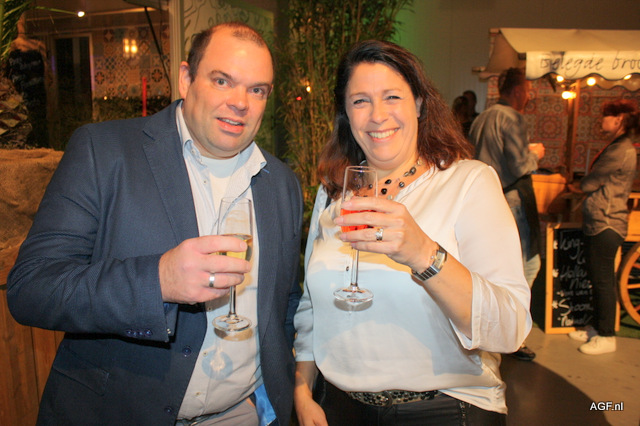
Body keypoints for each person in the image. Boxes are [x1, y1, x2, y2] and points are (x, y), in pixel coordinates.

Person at [7, 22, 303, 425]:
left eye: (257, 90)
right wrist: (158, 281)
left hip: (239, 413)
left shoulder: (281, 182)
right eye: (222, 81)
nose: (240, 102)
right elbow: (32, 288)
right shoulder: (103, 151)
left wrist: (275, 398)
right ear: (186, 79)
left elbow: (283, 303)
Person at [293, 40, 532, 425]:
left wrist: (424, 254)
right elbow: (311, 305)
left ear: (419, 103)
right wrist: (302, 391)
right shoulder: (333, 193)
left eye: (392, 96)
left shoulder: (468, 182)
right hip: (339, 409)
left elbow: (510, 328)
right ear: (346, 114)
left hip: (444, 410)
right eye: (360, 101)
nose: (377, 115)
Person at [469, 67, 545, 362]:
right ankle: (513, 334)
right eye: (527, 90)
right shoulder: (512, 118)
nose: (529, 96)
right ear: (517, 91)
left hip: (484, 202)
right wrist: (536, 154)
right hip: (511, 201)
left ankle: (492, 331)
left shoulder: (482, 118)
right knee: (528, 265)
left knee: (488, 269)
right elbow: (519, 166)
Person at [567, 99, 640, 355]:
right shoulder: (618, 146)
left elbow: (592, 182)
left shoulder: (621, 149)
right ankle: (596, 328)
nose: (602, 121)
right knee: (597, 279)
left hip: (607, 223)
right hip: (600, 221)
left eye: (606, 116)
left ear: (619, 119)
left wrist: (577, 186)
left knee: (603, 281)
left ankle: (607, 336)